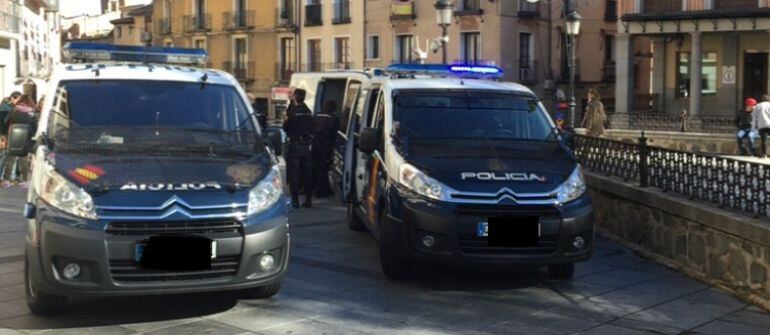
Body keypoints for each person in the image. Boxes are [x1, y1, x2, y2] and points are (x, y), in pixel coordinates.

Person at [283, 89, 314, 208]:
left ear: (295, 97)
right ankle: (308, 200)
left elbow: (286, 127)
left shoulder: (291, 112)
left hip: (294, 146)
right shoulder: (308, 111)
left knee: (294, 174)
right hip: (306, 146)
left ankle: (295, 201)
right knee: (307, 174)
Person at [2, 94, 36, 187]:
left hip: (13, 137)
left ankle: (6, 180)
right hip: (25, 138)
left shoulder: (13, 110)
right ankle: (24, 180)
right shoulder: (32, 112)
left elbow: (6, 121)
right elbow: (35, 126)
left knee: (11, 159)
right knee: (24, 160)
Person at [312, 100, 340, 198]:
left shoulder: (316, 116)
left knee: (317, 168)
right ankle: (319, 191)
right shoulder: (333, 118)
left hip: (315, 145)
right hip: (325, 146)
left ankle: (324, 188)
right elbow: (336, 132)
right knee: (323, 168)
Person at [0, 92, 21, 187]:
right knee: (4, 156)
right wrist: (3, 137)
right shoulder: (6, 109)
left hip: (5, 136)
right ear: (13, 98)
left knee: (4, 156)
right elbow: (2, 124)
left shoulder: (6, 108)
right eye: (18, 99)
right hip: (4, 136)